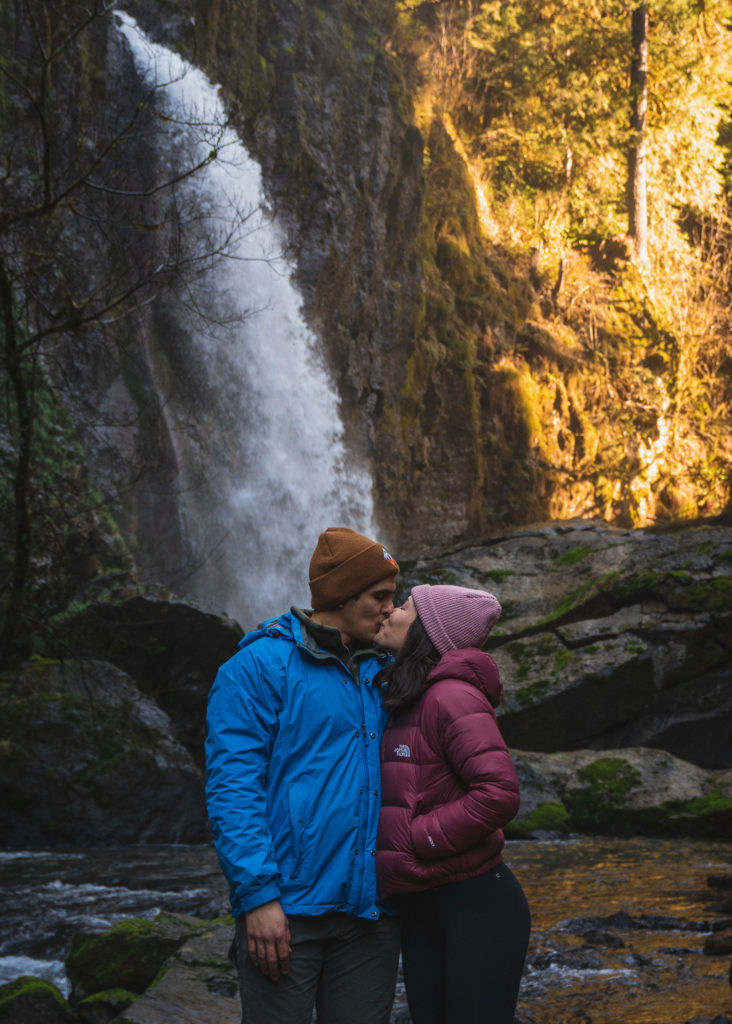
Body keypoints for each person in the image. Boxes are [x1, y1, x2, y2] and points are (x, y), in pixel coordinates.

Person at [205, 526, 402, 1024]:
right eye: (380, 596)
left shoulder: (387, 671)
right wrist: (258, 897)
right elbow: (233, 789)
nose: (390, 610)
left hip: (370, 915)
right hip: (286, 914)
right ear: (340, 594)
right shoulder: (256, 668)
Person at [374, 584, 531, 1024]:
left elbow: (499, 792)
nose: (389, 613)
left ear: (426, 630)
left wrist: (417, 836)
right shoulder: (409, 696)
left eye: (403, 607)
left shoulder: (450, 697)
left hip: (478, 905)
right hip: (425, 903)